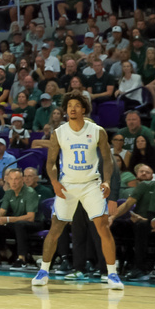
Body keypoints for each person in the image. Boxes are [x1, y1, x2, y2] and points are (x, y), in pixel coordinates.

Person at [31, 91, 123, 290]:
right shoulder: (59, 133)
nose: (72, 108)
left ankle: (113, 274)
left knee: (103, 228)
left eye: (76, 105)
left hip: (91, 184)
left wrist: (107, 181)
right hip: (68, 185)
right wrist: (54, 182)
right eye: (69, 105)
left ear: (84, 109)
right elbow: (50, 163)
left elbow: (108, 159)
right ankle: (43, 270)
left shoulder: (98, 131)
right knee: (56, 228)